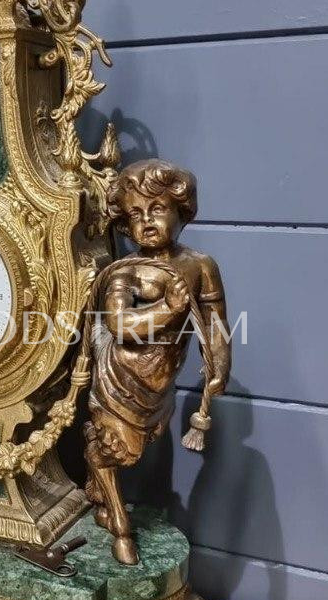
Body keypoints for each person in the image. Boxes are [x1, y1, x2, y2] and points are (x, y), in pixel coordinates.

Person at [84, 160, 231, 564]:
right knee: (113, 451)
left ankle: (101, 492)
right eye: (135, 214)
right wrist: (168, 308)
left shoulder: (200, 266)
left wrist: (219, 366)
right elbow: (119, 325)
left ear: (182, 210)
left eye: (157, 209)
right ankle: (120, 526)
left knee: (131, 449)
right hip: (120, 375)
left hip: (160, 381)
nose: (146, 221)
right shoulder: (124, 271)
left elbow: (215, 325)